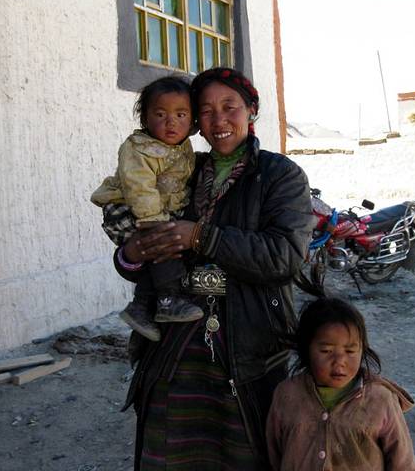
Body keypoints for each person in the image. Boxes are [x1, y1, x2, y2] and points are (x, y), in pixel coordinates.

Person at [114, 67, 316, 470]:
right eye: (205, 110)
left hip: (246, 348)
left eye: (230, 107)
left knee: (243, 457)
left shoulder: (279, 176)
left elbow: (284, 256)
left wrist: (201, 237)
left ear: (251, 110)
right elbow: (142, 259)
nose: (218, 119)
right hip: (175, 344)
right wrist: (132, 252)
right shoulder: (179, 171)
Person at [91, 76, 203, 342]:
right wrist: (156, 222)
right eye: (160, 114)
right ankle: (168, 300)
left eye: (180, 115)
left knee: (158, 250)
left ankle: (141, 308)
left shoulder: (182, 148)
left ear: (193, 122)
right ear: (145, 119)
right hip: (129, 209)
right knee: (163, 244)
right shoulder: (138, 148)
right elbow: (138, 186)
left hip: (153, 211)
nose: (170, 122)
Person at [266, 297, 415, 471]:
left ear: (362, 349)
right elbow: (274, 453)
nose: (339, 361)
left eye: (350, 351)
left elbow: (403, 463)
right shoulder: (287, 395)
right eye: (326, 351)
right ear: (306, 350)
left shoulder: (381, 400)